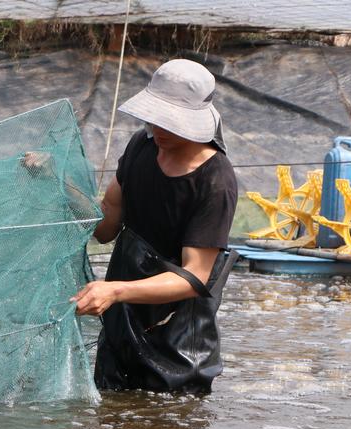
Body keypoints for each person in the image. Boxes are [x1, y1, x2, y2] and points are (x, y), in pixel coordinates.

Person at [71, 59, 239, 393]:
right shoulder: (140, 147)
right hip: (121, 330)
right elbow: (105, 226)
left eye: (170, 120)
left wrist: (115, 290)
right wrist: (62, 186)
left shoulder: (215, 180)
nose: (158, 128)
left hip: (177, 347)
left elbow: (195, 278)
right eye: (154, 117)